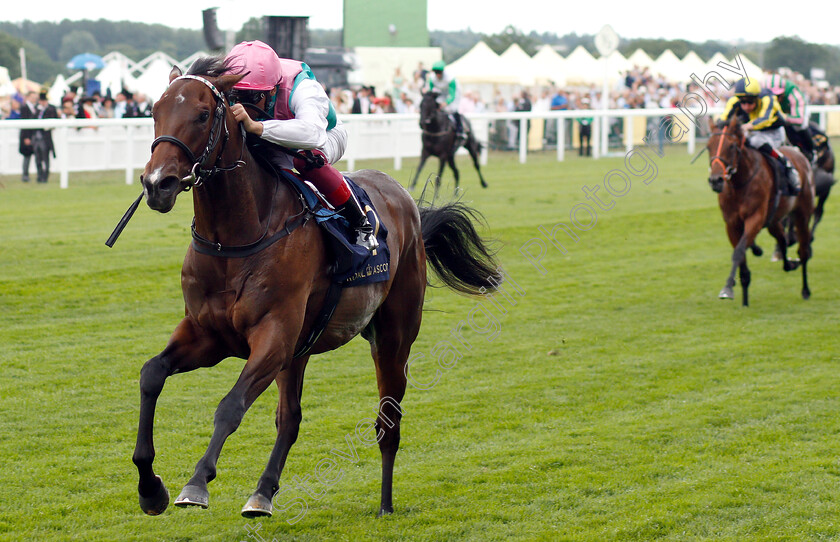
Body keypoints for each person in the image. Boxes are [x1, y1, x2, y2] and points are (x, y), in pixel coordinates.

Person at [225, 40, 378, 250]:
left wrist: (257, 127)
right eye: (235, 95)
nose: (242, 104)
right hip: (273, 137)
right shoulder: (242, 86)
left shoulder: (302, 87)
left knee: (306, 160)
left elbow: (313, 133)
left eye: (251, 97)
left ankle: (361, 223)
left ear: (272, 91)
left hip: (326, 135)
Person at [719, 77, 799, 195]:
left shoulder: (768, 98)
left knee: (755, 141)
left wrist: (746, 127)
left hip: (773, 132)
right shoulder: (733, 101)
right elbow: (723, 119)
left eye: (750, 102)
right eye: (743, 102)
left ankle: (786, 164)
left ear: (757, 97)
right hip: (753, 132)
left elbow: (765, 119)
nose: (746, 106)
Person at [764, 72, 816, 162]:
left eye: (778, 96)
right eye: (772, 96)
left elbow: (799, 119)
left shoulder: (792, 91)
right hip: (780, 115)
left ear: (783, 91)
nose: (776, 99)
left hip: (795, 113)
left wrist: (783, 117)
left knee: (799, 126)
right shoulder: (762, 93)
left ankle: (810, 150)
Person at [428, 60, 465, 143]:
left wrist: (446, 103)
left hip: (453, 94)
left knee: (453, 109)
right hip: (441, 93)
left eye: (439, 72)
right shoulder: (431, 78)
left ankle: (460, 131)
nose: (437, 74)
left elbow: (452, 95)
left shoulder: (451, 79)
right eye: (436, 72)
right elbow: (431, 91)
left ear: (442, 71)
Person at [32, 92, 58, 183]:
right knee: (37, 158)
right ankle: (39, 175)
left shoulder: (51, 109)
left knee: (46, 158)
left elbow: (55, 120)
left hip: (46, 137)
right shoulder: (36, 109)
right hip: (36, 137)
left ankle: (45, 177)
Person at [18, 91, 39, 182]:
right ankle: (25, 175)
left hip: (35, 135)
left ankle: (38, 175)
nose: (34, 99)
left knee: (37, 155)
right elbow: (24, 123)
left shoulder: (36, 107)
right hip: (27, 135)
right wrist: (26, 137)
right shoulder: (24, 108)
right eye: (32, 97)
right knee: (27, 156)